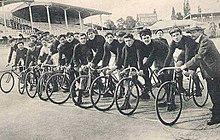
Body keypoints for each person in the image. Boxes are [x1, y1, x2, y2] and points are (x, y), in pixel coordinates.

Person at [180, 26, 220, 125]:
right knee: (213, 92)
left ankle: (217, 117)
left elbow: (199, 56)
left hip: (213, 71)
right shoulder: (199, 41)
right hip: (209, 71)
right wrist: (192, 68)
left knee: (215, 93)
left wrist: (185, 65)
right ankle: (216, 108)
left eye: (193, 32)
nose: (192, 35)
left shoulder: (205, 41)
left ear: (199, 31)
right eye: (190, 33)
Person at [164, 26, 200, 94]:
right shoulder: (173, 42)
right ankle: (180, 88)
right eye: (173, 36)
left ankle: (198, 88)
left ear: (181, 34)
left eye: (177, 35)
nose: (176, 37)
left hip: (194, 53)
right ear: (172, 37)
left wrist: (186, 68)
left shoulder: (187, 40)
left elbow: (188, 53)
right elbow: (169, 55)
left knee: (191, 72)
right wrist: (164, 68)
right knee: (178, 66)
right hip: (184, 52)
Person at [138, 29, 168, 99]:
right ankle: (148, 84)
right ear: (141, 39)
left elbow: (151, 58)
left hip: (164, 57)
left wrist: (144, 67)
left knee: (163, 75)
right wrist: (141, 69)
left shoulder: (156, 44)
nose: (146, 40)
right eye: (144, 38)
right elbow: (140, 57)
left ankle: (169, 91)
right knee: (143, 66)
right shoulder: (142, 45)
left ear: (151, 37)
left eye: (147, 38)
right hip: (154, 56)